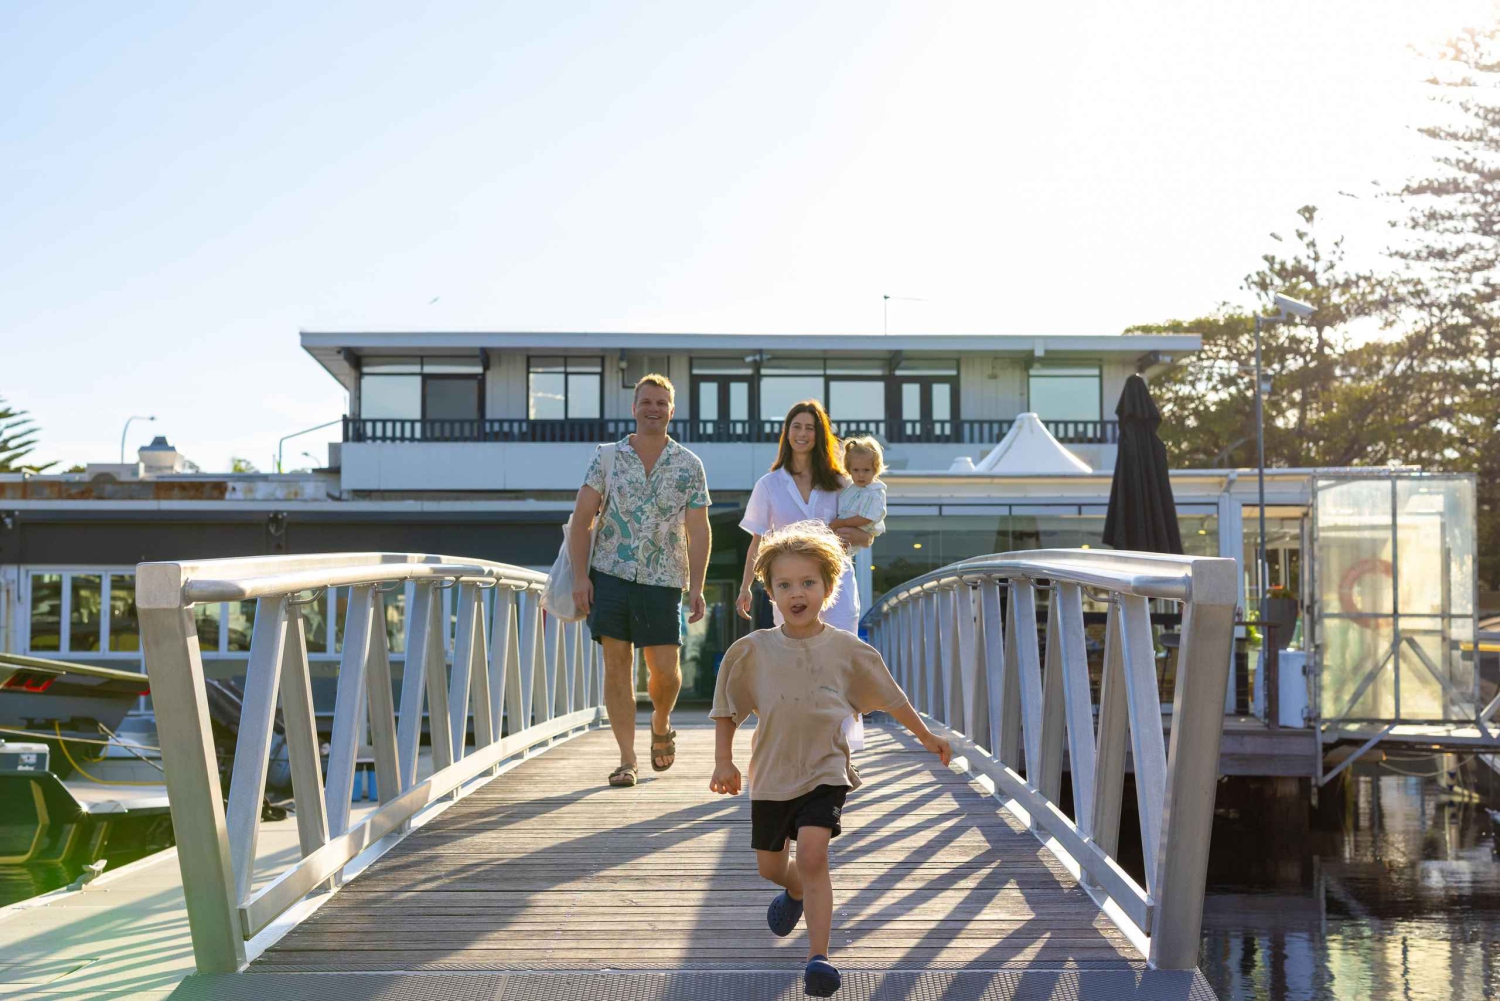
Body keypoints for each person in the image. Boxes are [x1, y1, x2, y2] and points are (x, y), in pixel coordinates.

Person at [708, 521, 951, 998]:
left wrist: (925, 736)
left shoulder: (847, 650)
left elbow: (892, 698)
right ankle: (793, 890)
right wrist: (724, 761)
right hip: (773, 776)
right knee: (770, 867)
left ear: (828, 587)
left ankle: (818, 957)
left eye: (808, 583)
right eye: (784, 585)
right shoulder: (752, 651)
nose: (796, 593)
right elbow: (726, 710)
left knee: (815, 855)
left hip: (825, 771)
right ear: (769, 591)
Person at [567, 373, 711, 788]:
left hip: (664, 578)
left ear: (672, 410)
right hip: (610, 574)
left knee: (664, 670)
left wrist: (697, 585)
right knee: (617, 665)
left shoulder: (689, 465)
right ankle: (626, 759)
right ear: (634, 408)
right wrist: (581, 577)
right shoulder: (607, 457)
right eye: (646, 401)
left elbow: (698, 530)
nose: (653, 408)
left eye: (661, 403)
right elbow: (581, 520)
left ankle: (662, 720)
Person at [736, 401, 874, 749]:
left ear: (820, 434)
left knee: (839, 664)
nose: (802, 434)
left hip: (836, 588)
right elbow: (757, 542)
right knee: (796, 666)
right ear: (787, 433)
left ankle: (840, 750)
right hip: (789, 591)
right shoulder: (769, 485)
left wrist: (831, 535)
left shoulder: (842, 483)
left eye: (810, 428)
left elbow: (867, 536)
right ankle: (799, 747)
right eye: (796, 427)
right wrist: (745, 588)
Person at [828, 435, 887, 542]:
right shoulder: (851, 487)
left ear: (876, 469)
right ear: (849, 469)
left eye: (866, 470)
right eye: (856, 470)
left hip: (855, 535)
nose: (861, 475)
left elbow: (866, 518)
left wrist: (843, 522)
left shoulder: (874, 493)